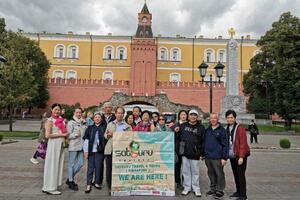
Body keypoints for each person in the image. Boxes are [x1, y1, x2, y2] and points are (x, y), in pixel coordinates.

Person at [174, 109, 205, 197]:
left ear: (197, 116)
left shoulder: (201, 127)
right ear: (189, 116)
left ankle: (196, 188)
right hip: (185, 153)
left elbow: (203, 141)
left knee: (195, 172)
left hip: (195, 153)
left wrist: (202, 153)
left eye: (195, 115)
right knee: (185, 171)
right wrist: (174, 128)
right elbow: (176, 133)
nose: (193, 117)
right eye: (191, 115)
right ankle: (187, 187)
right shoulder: (183, 126)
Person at [42, 103, 69, 195]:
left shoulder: (61, 120)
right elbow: (47, 135)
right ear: (51, 109)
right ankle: (50, 187)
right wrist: (62, 135)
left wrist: (65, 136)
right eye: (55, 109)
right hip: (53, 144)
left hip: (60, 144)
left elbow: (63, 130)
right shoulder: (49, 120)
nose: (57, 111)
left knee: (58, 164)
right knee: (52, 165)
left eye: (58, 110)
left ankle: (50, 185)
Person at [104, 106, 132, 193]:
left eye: (121, 113)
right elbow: (105, 135)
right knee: (109, 169)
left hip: (122, 151)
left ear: (124, 115)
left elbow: (130, 137)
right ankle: (110, 187)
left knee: (121, 169)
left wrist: (118, 135)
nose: (120, 115)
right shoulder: (110, 124)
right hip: (111, 149)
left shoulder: (127, 126)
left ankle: (120, 185)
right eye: (118, 113)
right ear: (115, 114)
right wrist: (108, 135)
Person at [226, 110, 250, 200]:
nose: (230, 119)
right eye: (228, 117)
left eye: (231, 117)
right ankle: (238, 192)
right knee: (235, 174)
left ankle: (243, 196)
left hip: (240, 155)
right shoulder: (227, 128)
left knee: (240, 175)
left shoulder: (240, 128)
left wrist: (241, 157)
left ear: (235, 118)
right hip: (233, 155)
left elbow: (243, 143)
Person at [203, 113, 229, 199]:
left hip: (218, 157)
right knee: (211, 174)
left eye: (215, 118)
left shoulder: (222, 131)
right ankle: (213, 189)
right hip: (208, 157)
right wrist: (203, 154)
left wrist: (224, 158)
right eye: (211, 118)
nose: (213, 120)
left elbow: (225, 145)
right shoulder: (208, 130)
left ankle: (219, 190)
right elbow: (204, 142)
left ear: (218, 119)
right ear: (209, 119)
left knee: (219, 174)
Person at [83, 112, 107, 193]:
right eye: (96, 117)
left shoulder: (104, 128)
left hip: (100, 151)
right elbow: (86, 140)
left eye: (99, 117)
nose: (97, 118)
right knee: (90, 168)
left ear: (101, 119)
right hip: (91, 151)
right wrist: (86, 151)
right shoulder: (90, 128)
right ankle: (88, 184)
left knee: (98, 167)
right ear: (93, 119)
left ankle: (97, 183)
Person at [66, 108, 87, 191]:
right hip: (74, 146)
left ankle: (69, 178)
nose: (79, 114)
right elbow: (67, 135)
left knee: (81, 163)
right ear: (74, 113)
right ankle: (71, 181)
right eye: (77, 112)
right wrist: (75, 134)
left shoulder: (83, 122)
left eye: (80, 112)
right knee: (71, 164)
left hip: (82, 146)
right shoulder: (71, 123)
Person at [170, 110, 188, 189]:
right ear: (179, 116)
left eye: (185, 114)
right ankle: (178, 182)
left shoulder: (188, 125)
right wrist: (173, 127)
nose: (183, 116)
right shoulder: (176, 124)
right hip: (177, 148)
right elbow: (172, 127)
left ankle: (185, 182)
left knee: (186, 167)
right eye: (182, 114)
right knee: (177, 166)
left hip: (187, 148)